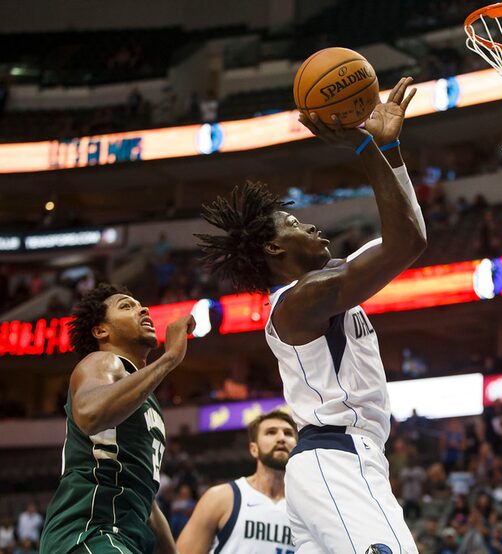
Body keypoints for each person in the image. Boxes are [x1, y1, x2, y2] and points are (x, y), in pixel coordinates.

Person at [197, 77, 424, 552]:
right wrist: (366, 147)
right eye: (296, 223)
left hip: (339, 461)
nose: (312, 224)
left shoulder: (324, 286)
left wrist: (391, 150)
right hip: (336, 458)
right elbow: (407, 243)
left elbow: (410, 236)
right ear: (275, 247)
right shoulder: (302, 299)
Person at [40, 283, 193, 553]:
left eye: (139, 304)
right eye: (126, 306)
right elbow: (89, 414)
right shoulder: (102, 362)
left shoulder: (146, 398)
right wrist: (169, 358)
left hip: (121, 539)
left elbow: (146, 498)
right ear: (101, 330)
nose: (143, 308)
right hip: (90, 532)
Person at [176, 409, 297, 553]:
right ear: (254, 449)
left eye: (288, 433)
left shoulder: (307, 507)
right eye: (271, 432)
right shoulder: (221, 497)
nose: (281, 438)